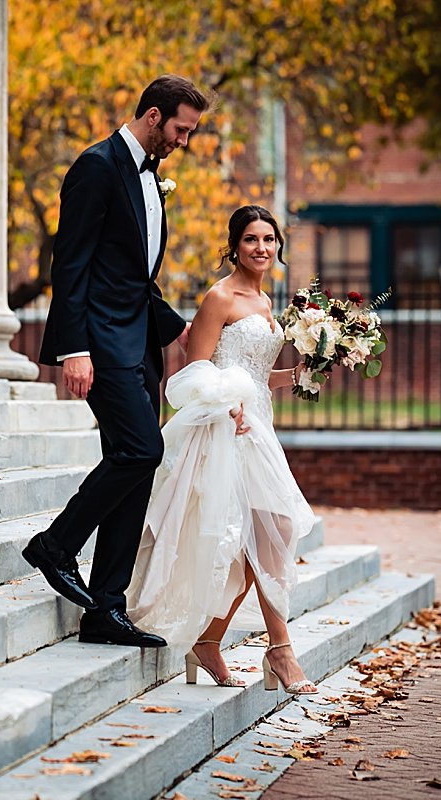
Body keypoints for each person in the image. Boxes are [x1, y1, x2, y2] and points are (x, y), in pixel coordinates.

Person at [24, 75, 211, 648]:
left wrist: (184, 331)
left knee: (135, 466)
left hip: (138, 345)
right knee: (141, 449)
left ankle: (106, 608)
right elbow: (73, 265)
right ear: (154, 116)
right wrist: (72, 349)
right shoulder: (96, 166)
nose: (185, 140)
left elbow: (132, 279)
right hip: (100, 347)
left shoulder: (152, 180)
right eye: (181, 129)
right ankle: (56, 545)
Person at [126, 204, 319, 694]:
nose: (262, 248)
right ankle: (281, 650)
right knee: (270, 527)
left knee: (261, 535)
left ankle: (210, 641)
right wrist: (227, 406)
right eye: (252, 239)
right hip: (227, 430)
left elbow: (255, 377)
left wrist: (299, 374)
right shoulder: (220, 297)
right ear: (234, 245)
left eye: (269, 240)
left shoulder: (268, 303)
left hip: (260, 425)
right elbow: (195, 370)